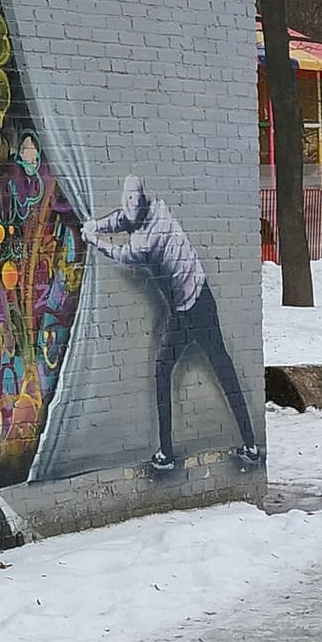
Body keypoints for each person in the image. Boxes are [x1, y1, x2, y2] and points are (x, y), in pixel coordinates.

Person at [82, 175, 262, 472]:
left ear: (140, 201)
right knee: (222, 370)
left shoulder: (146, 241)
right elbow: (122, 219)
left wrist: (93, 239)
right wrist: (97, 225)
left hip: (189, 312)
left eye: (131, 201)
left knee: (166, 369)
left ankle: (166, 453)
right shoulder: (157, 208)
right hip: (203, 298)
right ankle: (250, 445)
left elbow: (124, 254)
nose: (129, 206)